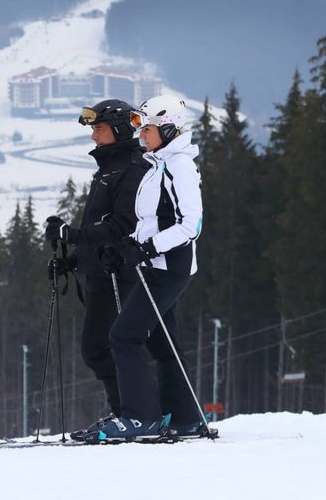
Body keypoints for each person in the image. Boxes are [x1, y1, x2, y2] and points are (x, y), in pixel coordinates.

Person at [94, 95, 208, 441]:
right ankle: (185, 417)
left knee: (123, 336)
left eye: (148, 129)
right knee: (161, 341)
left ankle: (140, 417)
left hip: (169, 266)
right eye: (140, 128)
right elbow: (152, 220)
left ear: (168, 130)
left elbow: (191, 225)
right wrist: (124, 248)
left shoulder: (179, 166)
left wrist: (147, 249)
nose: (141, 135)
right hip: (158, 263)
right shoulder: (160, 163)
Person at [44, 99, 150, 440]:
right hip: (100, 271)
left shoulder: (132, 169)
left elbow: (123, 226)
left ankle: (133, 414)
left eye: (99, 129)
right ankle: (126, 413)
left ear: (119, 130)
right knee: (101, 347)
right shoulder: (109, 168)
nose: (93, 136)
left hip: (118, 273)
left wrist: (73, 236)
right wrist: (73, 260)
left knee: (102, 347)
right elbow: (100, 225)